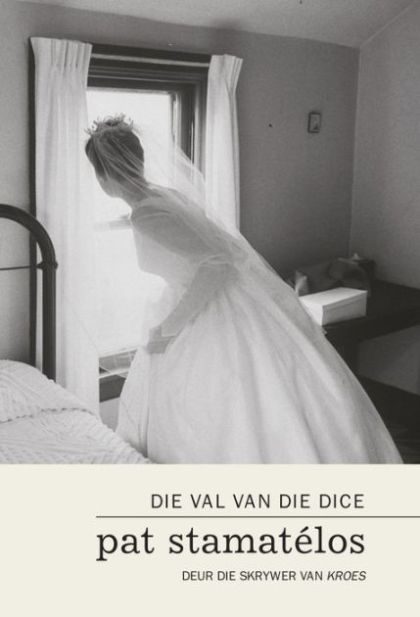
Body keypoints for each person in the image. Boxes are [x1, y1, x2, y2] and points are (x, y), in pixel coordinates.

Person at [85, 116, 402, 464]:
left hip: (207, 308)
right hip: (211, 297)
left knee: (226, 402)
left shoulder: (146, 215)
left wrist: (171, 328)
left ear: (104, 175)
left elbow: (216, 265)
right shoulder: (163, 195)